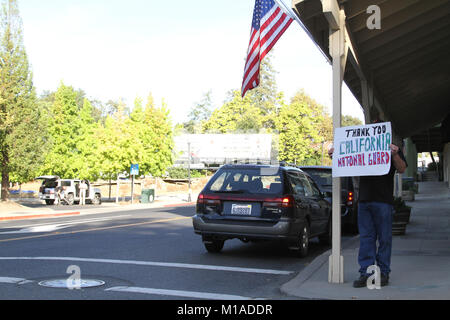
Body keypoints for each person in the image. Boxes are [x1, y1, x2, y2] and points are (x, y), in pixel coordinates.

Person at [329, 121, 407, 288]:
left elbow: (402, 169)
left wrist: (394, 154)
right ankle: (366, 273)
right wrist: (336, 154)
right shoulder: (362, 148)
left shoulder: (393, 149)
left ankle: (384, 272)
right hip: (364, 201)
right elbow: (347, 161)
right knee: (366, 239)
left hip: (383, 201)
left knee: (384, 238)